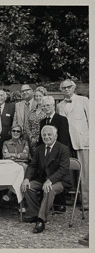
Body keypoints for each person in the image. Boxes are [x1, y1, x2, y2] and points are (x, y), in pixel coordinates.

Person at [21, 125, 71, 233]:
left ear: (56, 136)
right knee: (27, 187)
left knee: (50, 189)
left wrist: (50, 180)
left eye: (49, 134)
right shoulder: (39, 149)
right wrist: (26, 179)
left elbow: (63, 170)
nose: (46, 137)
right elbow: (33, 165)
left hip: (60, 180)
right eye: (44, 135)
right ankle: (35, 214)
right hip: (43, 179)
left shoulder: (63, 149)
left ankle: (41, 220)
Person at [57, 79, 89, 211]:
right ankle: (71, 197)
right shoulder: (59, 105)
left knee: (85, 172)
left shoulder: (84, 100)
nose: (66, 89)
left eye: (69, 87)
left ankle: (87, 202)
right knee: (69, 171)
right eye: (64, 88)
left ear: (74, 88)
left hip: (82, 140)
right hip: (66, 142)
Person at [25, 86, 47, 156]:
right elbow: (27, 126)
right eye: (36, 96)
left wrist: (37, 139)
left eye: (40, 96)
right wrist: (31, 138)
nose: (38, 98)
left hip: (43, 140)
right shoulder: (32, 111)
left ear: (44, 96)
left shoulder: (47, 111)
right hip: (31, 141)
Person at [0, 90, 15, 159]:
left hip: (7, 139)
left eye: (1, 95)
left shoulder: (12, 107)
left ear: (5, 97)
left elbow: (14, 123)